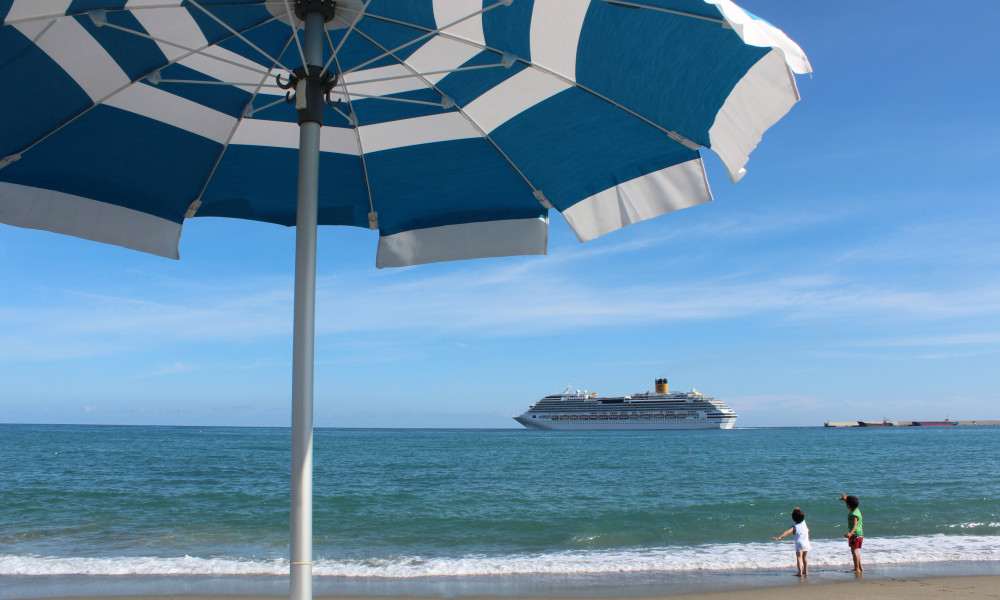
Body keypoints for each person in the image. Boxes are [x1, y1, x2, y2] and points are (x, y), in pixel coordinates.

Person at [773, 506, 811, 576]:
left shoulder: (795, 527)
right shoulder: (804, 522)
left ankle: (800, 572)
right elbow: (802, 515)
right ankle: (805, 571)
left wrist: (780, 537)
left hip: (799, 545)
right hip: (806, 543)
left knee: (799, 558)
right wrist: (798, 509)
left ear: (793, 518)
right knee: (805, 557)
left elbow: (788, 532)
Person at [841, 493, 864, 572]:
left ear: (848, 505)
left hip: (855, 535)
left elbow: (855, 525)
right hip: (859, 534)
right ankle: (860, 567)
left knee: (854, 551)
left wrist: (850, 533)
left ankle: (857, 568)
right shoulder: (856, 510)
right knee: (856, 550)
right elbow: (851, 503)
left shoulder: (854, 514)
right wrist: (845, 499)